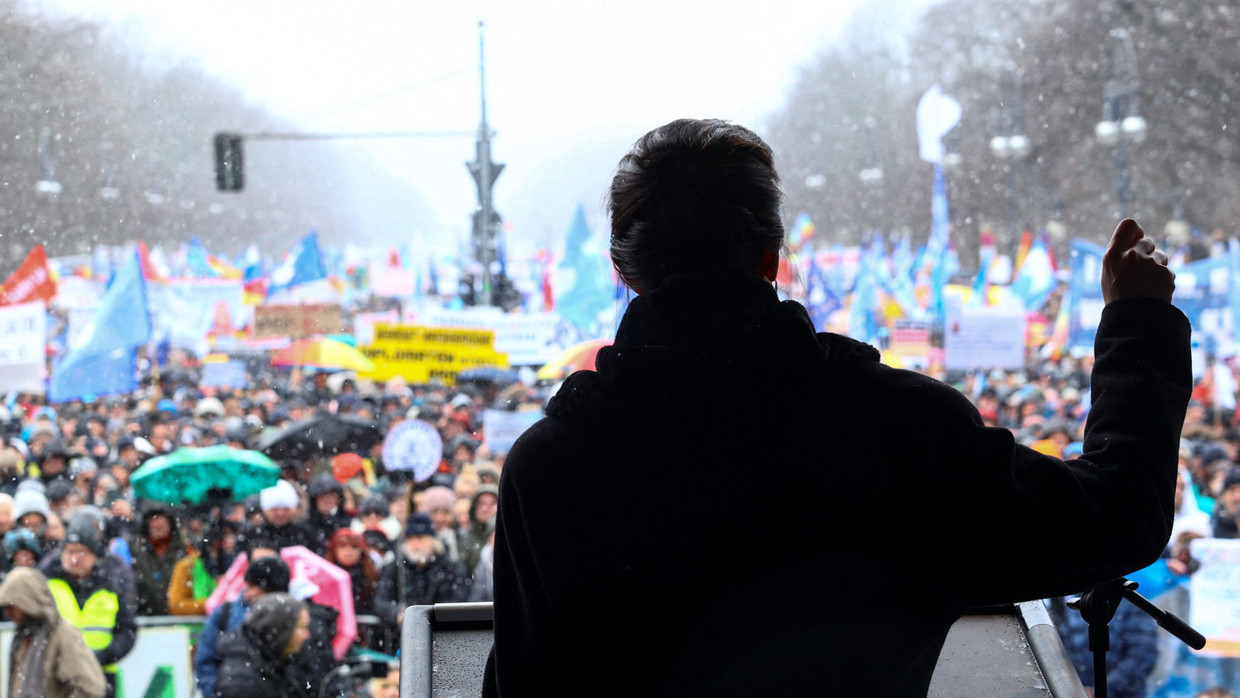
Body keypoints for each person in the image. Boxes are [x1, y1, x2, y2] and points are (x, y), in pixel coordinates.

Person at [482, 119, 1189, 697]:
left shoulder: (550, 468)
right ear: (771, 257)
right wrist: (1137, 323)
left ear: (622, 270)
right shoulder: (903, 432)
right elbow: (1121, 515)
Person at [42, 519, 137, 698]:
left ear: (95, 555)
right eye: (70, 551)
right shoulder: (47, 584)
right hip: (59, 676)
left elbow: (127, 630)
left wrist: (106, 654)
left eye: (82, 552)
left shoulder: (111, 586)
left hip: (102, 674)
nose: (75, 558)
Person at [0, 567, 107, 698]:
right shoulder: (24, 637)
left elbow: (90, 687)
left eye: (12, 606)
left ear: (28, 602)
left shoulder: (63, 634)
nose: (7, 613)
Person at [194, 555, 291, 698]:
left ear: (270, 590)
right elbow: (205, 661)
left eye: (253, 587)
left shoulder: (295, 619)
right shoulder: (226, 613)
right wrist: (218, 693)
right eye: (247, 586)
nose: (247, 594)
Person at [373, 512, 470, 629]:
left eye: (420, 538)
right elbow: (381, 601)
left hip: (441, 632)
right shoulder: (396, 568)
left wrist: (432, 616)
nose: (415, 544)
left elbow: (459, 600)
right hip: (404, 634)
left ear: (432, 540)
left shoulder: (450, 568)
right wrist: (397, 613)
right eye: (410, 539)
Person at [213, 592, 310, 698]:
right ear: (280, 629)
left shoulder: (277, 662)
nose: (307, 635)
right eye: (301, 627)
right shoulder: (242, 683)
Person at [130, 505, 184, 616]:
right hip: (145, 619)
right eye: (154, 519)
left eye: (162, 519)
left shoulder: (183, 551)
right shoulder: (134, 550)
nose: (158, 523)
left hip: (178, 621)